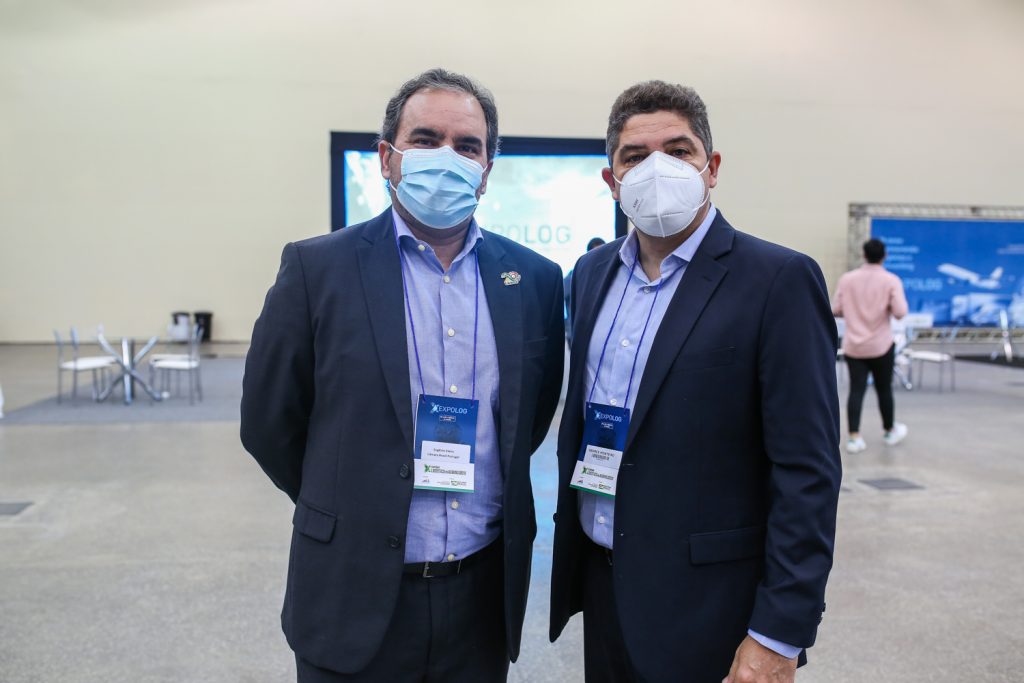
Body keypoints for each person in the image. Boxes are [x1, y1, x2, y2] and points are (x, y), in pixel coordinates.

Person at [240, 68, 565, 682]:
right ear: (386, 158)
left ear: (487, 170)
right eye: (426, 139)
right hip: (352, 591)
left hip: (480, 599)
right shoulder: (317, 270)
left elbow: (529, 419)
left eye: (467, 146)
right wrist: (347, 499)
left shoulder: (534, 280)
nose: (447, 157)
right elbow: (268, 423)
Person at [549, 80, 842, 683]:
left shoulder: (777, 280)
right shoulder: (591, 273)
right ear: (611, 181)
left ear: (712, 168)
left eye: (678, 151)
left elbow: (807, 471)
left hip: (713, 608)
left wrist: (778, 634)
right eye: (634, 156)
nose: (656, 168)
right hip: (604, 588)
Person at [832, 238, 909, 453]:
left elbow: (836, 309)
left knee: (856, 390)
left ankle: (854, 437)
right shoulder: (891, 280)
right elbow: (900, 312)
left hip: (854, 345)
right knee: (884, 389)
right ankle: (889, 430)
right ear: (884, 256)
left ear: (863, 255)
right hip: (881, 345)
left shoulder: (847, 279)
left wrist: (854, 311)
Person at [565, 237, 607, 342]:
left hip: (604, 334)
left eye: (604, 252)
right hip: (577, 334)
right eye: (597, 253)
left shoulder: (614, 276)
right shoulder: (574, 276)